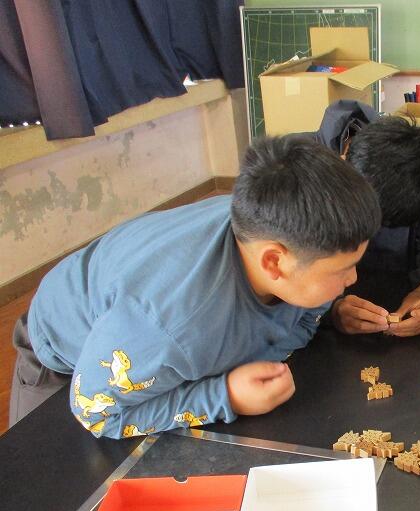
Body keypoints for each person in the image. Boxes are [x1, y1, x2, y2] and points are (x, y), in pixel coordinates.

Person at [9, 136, 381, 437]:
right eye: (342, 270)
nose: (353, 280)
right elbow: (96, 412)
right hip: (62, 357)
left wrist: (326, 312)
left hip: (141, 323)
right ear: (274, 262)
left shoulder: (272, 227)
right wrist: (225, 396)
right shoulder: (170, 326)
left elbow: (298, 312)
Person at [305, 100, 420, 337]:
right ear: (343, 164)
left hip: (402, 297)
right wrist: (331, 310)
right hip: (318, 316)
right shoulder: (299, 170)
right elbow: (286, 275)